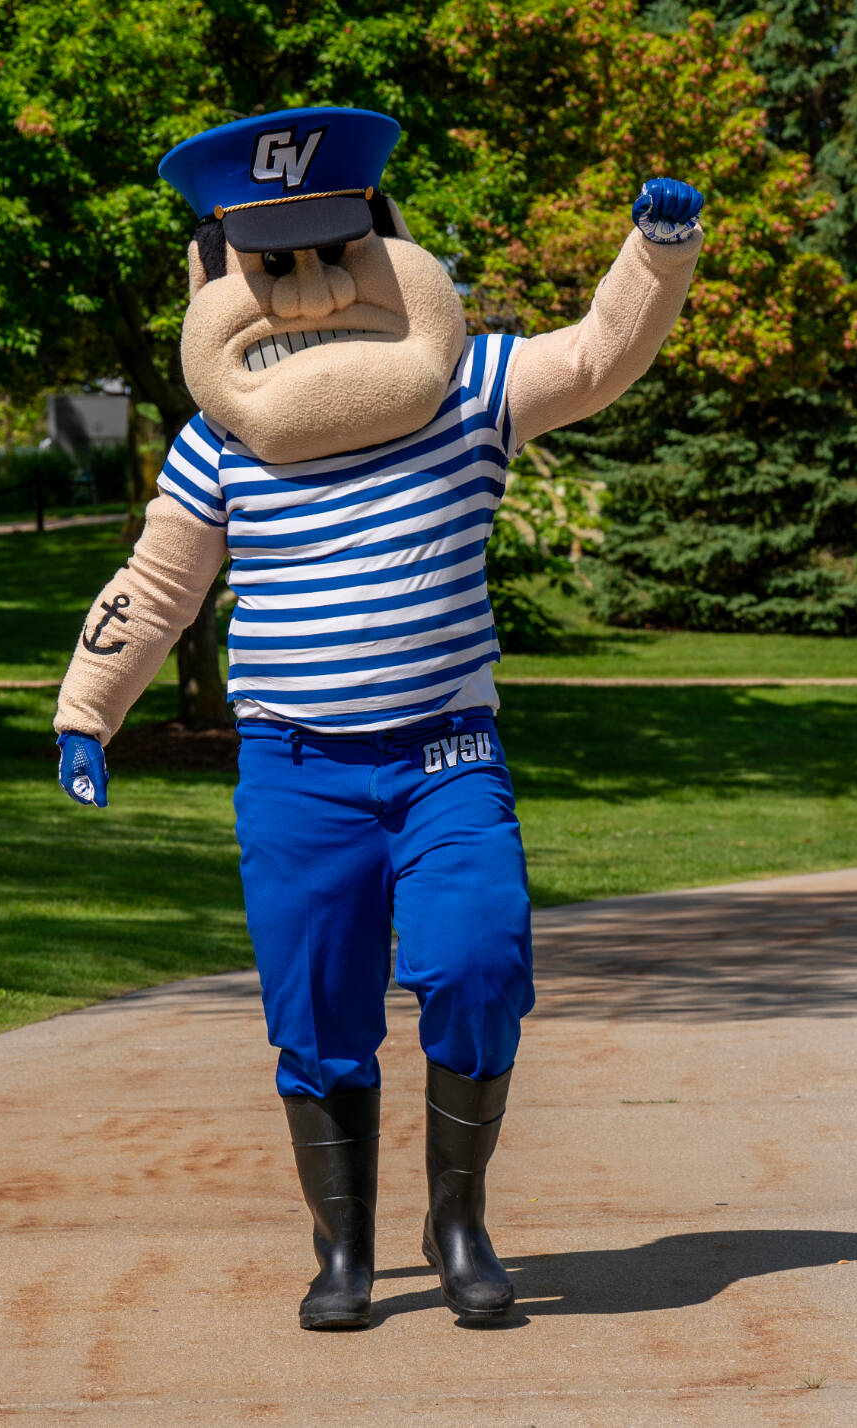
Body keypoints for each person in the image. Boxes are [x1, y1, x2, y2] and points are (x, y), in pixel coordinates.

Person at [52, 106, 703, 1328]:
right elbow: (156, 584)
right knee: (315, 1007)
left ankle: (455, 1219)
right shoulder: (220, 445)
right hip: (294, 770)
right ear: (219, 276)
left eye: (330, 251)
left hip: (445, 759)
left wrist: (652, 257)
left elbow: (597, 357)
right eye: (270, 263)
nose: (303, 291)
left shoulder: (471, 391)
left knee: (477, 964)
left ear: (385, 240)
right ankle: (340, 1253)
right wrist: (88, 711)